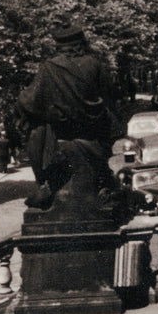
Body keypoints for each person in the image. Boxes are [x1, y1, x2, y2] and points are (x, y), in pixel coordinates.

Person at [16, 19, 124, 212]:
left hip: (63, 133)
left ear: (59, 47)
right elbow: (111, 95)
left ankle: (44, 185)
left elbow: (29, 102)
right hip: (97, 134)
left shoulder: (50, 67)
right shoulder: (96, 64)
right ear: (82, 43)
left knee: (36, 130)